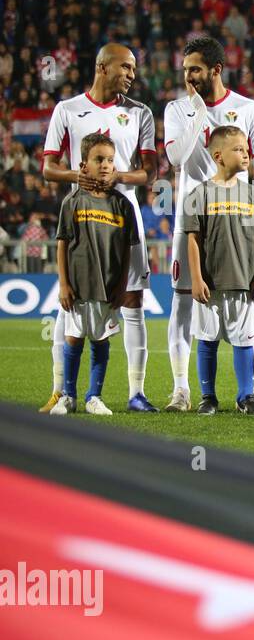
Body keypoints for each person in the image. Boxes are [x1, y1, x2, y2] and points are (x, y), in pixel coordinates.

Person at [42, 43, 158, 413]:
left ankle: (136, 393)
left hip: (125, 215)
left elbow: (149, 171)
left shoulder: (140, 112)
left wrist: (114, 177)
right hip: (82, 217)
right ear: (102, 66)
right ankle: (62, 391)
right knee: (71, 303)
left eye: (133, 68)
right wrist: (82, 177)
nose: (131, 74)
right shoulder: (68, 109)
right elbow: (48, 168)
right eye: (125, 67)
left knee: (132, 300)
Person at [162, 35, 254, 412]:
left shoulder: (248, 109)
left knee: (243, 308)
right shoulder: (178, 109)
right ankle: (182, 390)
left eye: (195, 69)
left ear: (216, 69)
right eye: (185, 69)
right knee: (183, 304)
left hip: (239, 222)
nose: (188, 76)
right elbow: (177, 159)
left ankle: (246, 393)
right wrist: (196, 110)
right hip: (190, 221)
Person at [182, 127, 254, 416]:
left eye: (247, 149)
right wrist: (195, 278)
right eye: (239, 149)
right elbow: (192, 238)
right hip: (211, 282)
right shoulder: (199, 193)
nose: (246, 154)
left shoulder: (251, 194)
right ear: (219, 156)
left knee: (244, 340)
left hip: (242, 281)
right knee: (207, 339)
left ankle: (246, 395)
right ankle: (208, 397)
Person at [50, 134, 137, 415]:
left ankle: (93, 396)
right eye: (99, 159)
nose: (105, 165)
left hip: (108, 287)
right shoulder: (72, 202)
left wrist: (123, 285)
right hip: (78, 286)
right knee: (73, 338)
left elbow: (126, 251)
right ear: (83, 165)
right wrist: (63, 283)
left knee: (101, 340)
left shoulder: (122, 205)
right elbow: (62, 244)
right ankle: (69, 396)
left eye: (110, 160)